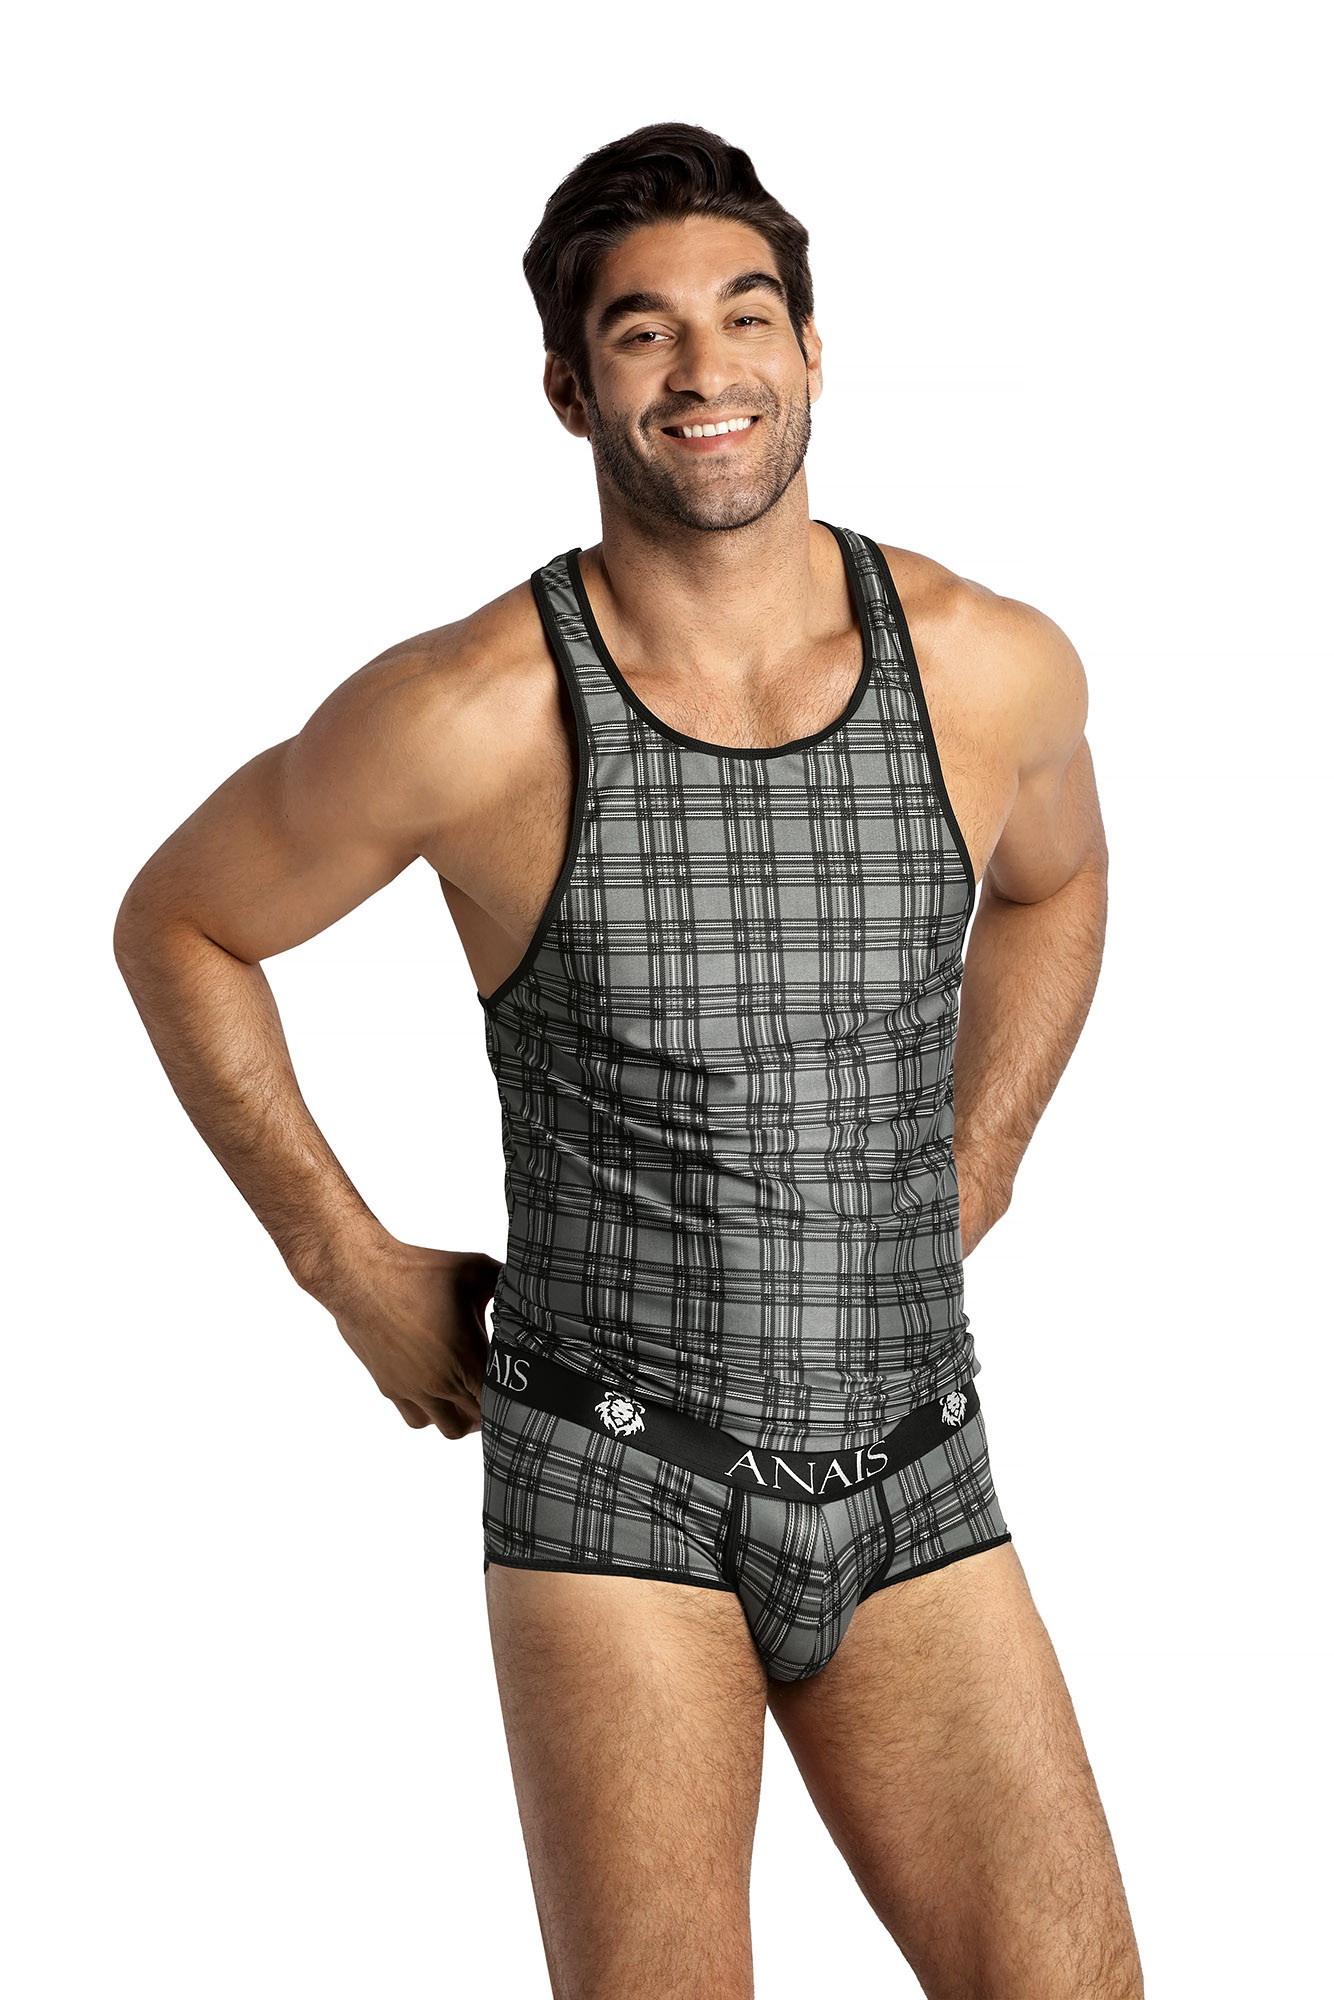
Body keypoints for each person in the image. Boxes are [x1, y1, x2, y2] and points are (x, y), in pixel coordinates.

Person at [114, 122, 1142, 1999]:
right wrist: (346, 1264)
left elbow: (1055, 886)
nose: (703, 369)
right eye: (643, 331)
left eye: (744, 317)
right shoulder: (471, 710)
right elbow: (181, 923)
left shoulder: (989, 665)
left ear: (810, 350)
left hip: (920, 1461)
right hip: (614, 1479)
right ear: (569, 386)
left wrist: (980, 1157)